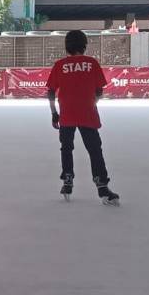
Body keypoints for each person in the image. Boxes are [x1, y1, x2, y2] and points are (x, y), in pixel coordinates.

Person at [47, 30, 119, 205]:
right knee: (95, 150)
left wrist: (54, 113)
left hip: (67, 114)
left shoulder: (60, 65)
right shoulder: (92, 63)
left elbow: (50, 91)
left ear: (67, 46)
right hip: (88, 114)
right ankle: (102, 185)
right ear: (84, 45)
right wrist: (91, 103)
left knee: (66, 148)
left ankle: (68, 179)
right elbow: (99, 90)